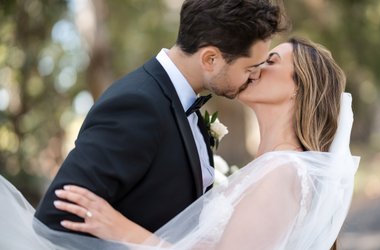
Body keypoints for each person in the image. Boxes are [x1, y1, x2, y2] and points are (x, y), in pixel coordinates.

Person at [50, 38, 359, 249]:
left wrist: (120, 228)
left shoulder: (282, 172)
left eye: (271, 61)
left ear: (298, 87)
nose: (255, 66)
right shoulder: (270, 167)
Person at [34, 0, 287, 239]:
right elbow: (57, 219)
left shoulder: (183, 104)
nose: (253, 77)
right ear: (210, 59)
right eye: (249, 68)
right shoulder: (138, 105)